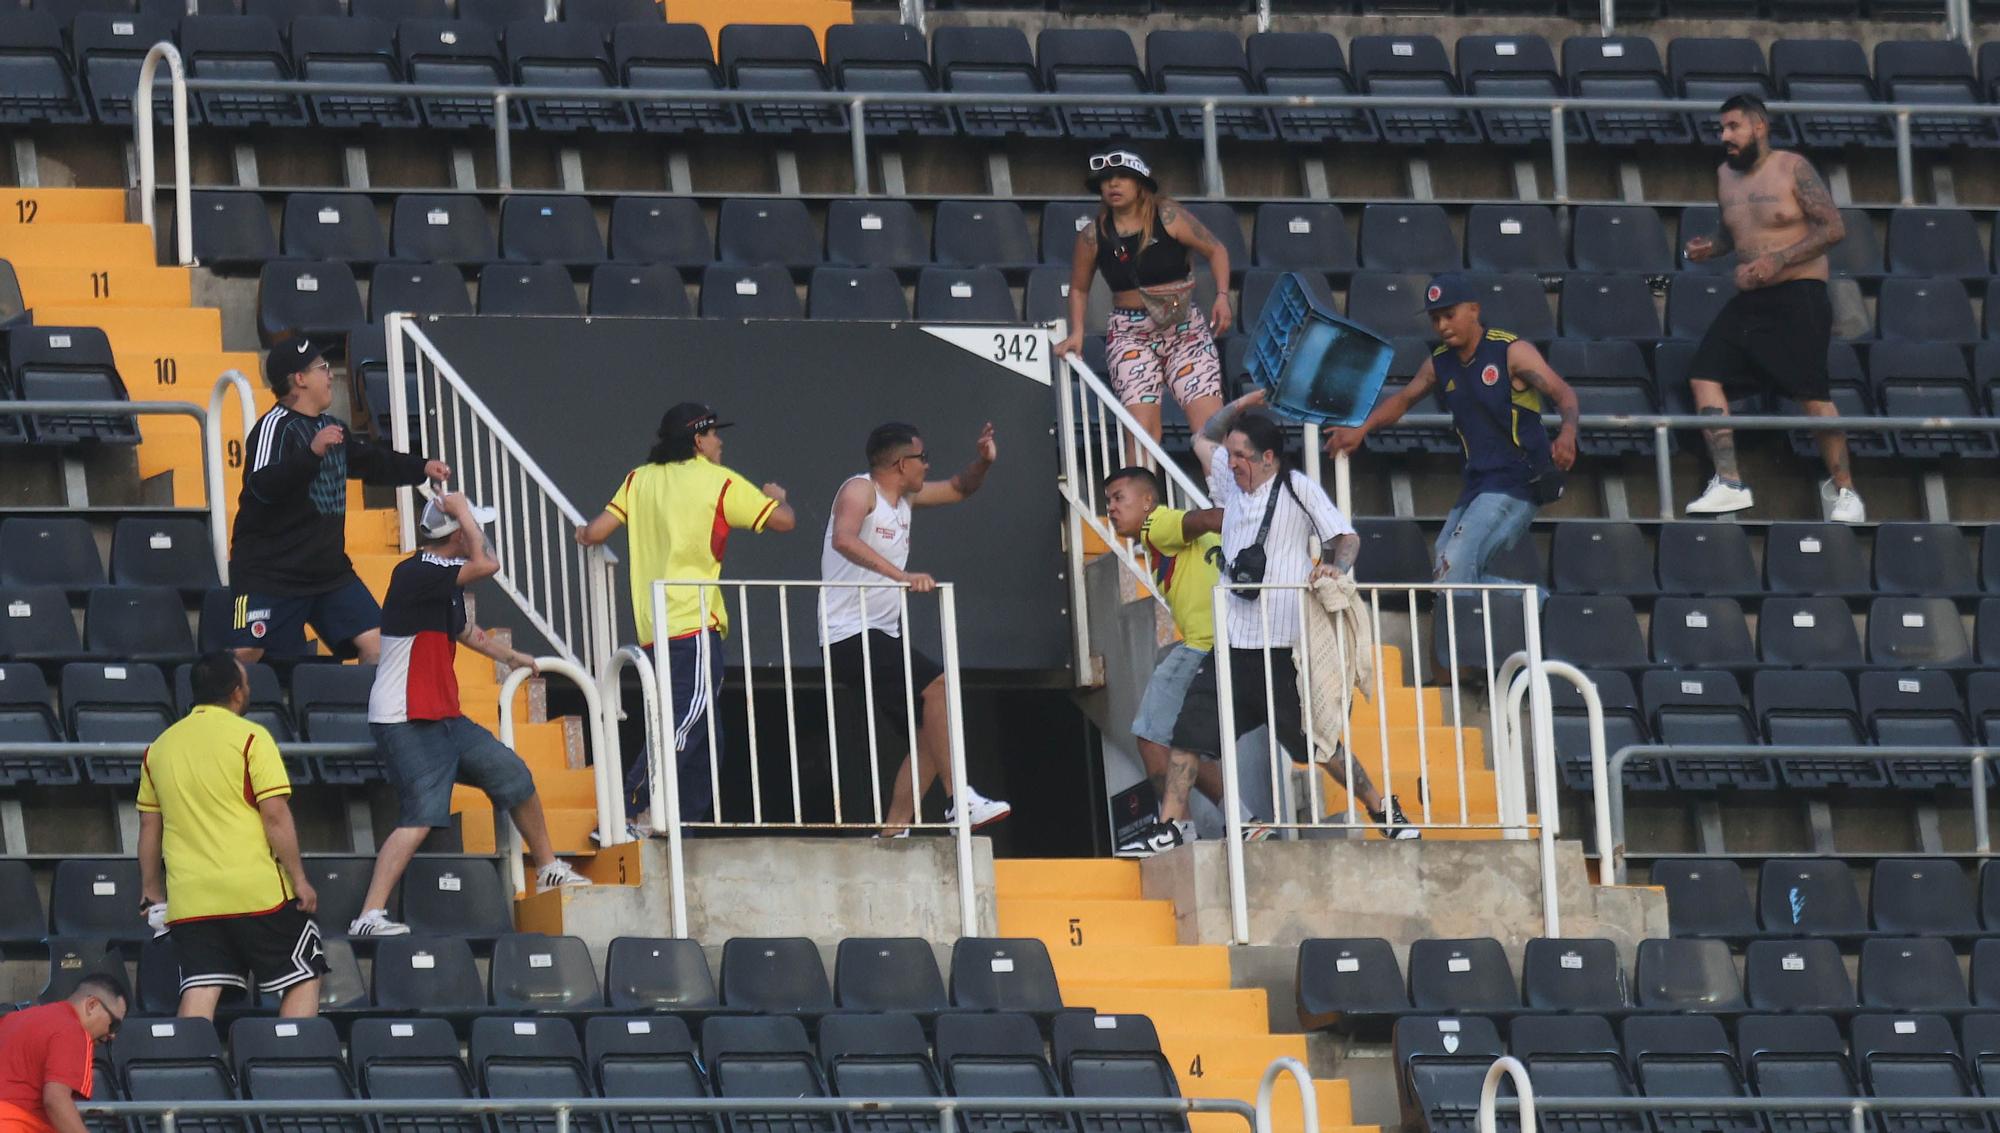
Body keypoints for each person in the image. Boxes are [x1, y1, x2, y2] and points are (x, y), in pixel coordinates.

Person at [1123, 391, 1417, 855]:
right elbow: (1205, 435)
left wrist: (1335, 567)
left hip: (1282, 651)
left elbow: (1345, 537)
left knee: (1318, 747)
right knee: (1187, 736)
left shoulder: (1296, 487)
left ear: (1267, 459)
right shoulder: (1229, 482)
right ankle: (1169, 826)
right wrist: (1239, 406)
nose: (1232, 462)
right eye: (1232, 454)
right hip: (1231, 648)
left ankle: (1382, 808)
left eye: (1242, 456)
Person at [348, 493, 589, 936]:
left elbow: (464, 632)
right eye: (473, 527)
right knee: (421, 815)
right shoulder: (417, 571)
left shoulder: (444, 580)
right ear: (458, 532)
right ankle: (369, 915)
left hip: (442, 716)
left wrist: (511, 655)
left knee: (515, 776)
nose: (480, 533)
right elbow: (489, 564)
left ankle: (549, 865)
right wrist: (460, 510)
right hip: (405, 717)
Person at [576, 403, 797, 833]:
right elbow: (784, 522)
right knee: (686, 722)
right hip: (691, 621)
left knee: (708, 737)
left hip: (652, 627)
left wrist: (581, 533)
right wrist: (776, 499)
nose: (720, 441)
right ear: (698, 439)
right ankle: (628, 808)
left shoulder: (640, 478)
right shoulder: (719, 480)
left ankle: (680, 826)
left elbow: (597, 531)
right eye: (714, 434)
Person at [1325, 273, 1580, 585]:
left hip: (1520, 478)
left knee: (1454, 563)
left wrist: (1567, 433)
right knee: (1446, 571)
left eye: (1449, 315)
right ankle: (1534, 605)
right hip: (1478, 481)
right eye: (1435, 319)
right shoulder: (1439, 362)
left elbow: (1563, 393)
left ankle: (1517, 614)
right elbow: (1405, 399)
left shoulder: (1510, 351)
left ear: (1473, 309)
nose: (1442, 326)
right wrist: (1362, 429)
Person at [820, 421, 1011, 836]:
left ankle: (893, 829)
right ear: (900, 463)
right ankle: (959, 799)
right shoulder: (860, 490)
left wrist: (983, 461)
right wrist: (902, 577)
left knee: (929, 730)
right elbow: (844, 539)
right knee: (938, 687)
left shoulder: (906, 496)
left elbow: (961, 487)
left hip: (881, 633)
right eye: (922, 458)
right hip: (850, 633)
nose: (927, 465)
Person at [1682, 93, 1862, 523]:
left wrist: (1778, 260)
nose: (1724, 136)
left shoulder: (1792, 168)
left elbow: (1834, 227)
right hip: (1750, 300)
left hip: (1799, 295)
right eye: (1722, 128)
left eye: (1733, 127)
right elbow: (1736, 233)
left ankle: (1846, 492)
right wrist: (1713, 247)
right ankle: (1729, 482)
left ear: (1758, 127)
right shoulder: (1725, 175)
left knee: (1813, 397)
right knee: (1704, 374)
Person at [230, 334, 449, 665]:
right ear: (299, 379)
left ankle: (367, 717)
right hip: (268, 574)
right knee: (247, 653)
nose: (331, 374)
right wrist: (310, 454)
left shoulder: (333, 427)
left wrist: (420, 467)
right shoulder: (272, 428)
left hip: (328, 574)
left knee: (377, 645)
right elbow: (261, 486)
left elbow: (372, 462)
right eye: (322, 367)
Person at [136, 653, 325, 1018]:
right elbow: (275, 816)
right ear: (237, 693)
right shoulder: (252, 738)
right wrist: (299, 879)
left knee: (202, 985)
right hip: (255, 892)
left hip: (191, 897)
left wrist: (150, 889)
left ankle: (188, 1069)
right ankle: (289, 1063)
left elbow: (149, 827)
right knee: (305, 971)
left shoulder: (159, 748)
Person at [1102, 466, 1254, 836]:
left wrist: (1249, 522)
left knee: (1152, 736)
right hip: (1230, 644)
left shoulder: (1158, 524)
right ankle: (1247, 821)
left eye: (1118, 498)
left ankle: (1178, 829)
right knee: (1185, 744)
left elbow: (1204, 519)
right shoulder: (1162, 536)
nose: (1111, 509)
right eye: (1107, 502)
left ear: (1148, 501)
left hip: (1203, 645)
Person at [1053, 148, 1234, 449]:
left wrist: (1222, 296)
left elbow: (1217, 249)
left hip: (1183, 328)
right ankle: (1143, 494)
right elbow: (1079, 288)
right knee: (1142, 435)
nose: (1113, 184)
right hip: (1130, 333)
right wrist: (1077, 331)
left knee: (1210, 430)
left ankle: (1221, 497)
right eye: (1106, 179)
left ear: (1140, 183)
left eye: (1122, 177)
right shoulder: (1092, 235)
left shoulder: (1168, 215)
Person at [0, 974, 125, 1133]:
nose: (112, 1035)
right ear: (92, 1005)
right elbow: (56, 1100)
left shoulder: (12, 1020)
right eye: (114, 1025)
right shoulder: (73, 1031)